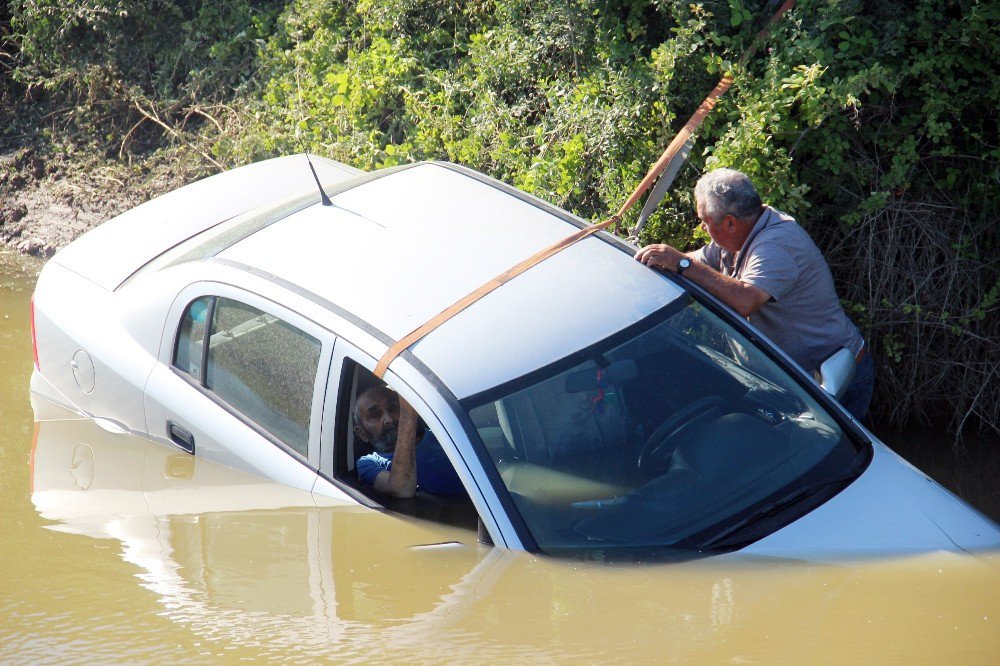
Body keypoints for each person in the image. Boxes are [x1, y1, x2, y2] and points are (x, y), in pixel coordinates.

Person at [634, 167, 875, 420]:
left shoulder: (775, 246)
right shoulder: (739, 235)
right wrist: (664, 260)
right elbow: (699, 261)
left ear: (729, 222)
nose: (703, 228)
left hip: (834, 381)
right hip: (793, 383)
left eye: (705, 221)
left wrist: (683, 265)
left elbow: (745, 300)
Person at [353, 385, 466, 498]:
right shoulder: (368, 464)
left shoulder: (443, 435)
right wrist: (407, 416)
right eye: (375, 415)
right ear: (362, 433)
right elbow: (402, 489)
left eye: (393, 408)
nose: (389, 419)